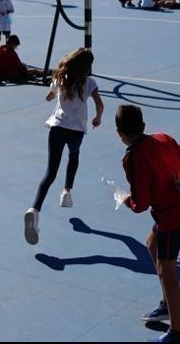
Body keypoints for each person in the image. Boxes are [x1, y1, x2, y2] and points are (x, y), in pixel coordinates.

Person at [115, 104, 180, 344]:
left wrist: (125, 199)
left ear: (119, 132)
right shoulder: (163, 138)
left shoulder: (132, 159)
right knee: (152, 245)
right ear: (143, 126)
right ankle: (166, 303)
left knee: (167, 268)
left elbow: (141, 204)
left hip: (171, 214)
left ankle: (178, 331)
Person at [24, 48, 104, 245]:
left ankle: (34, 210)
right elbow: (100, 105)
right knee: (74, 155)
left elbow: (48, 97)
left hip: (57, 128)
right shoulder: (89, 82)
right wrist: (97, 118)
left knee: (50, 171)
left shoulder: (60, 77)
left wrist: (54, 94)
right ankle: (67, 192)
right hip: (76, 130)